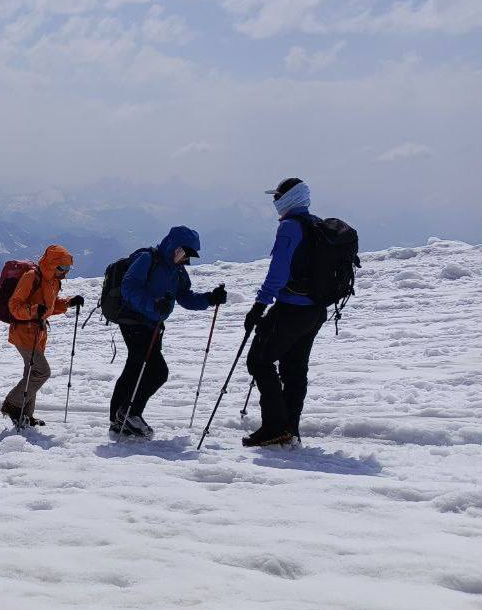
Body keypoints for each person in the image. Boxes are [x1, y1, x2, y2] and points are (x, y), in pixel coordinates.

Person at [109, 227, 226, 437]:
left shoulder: (178, 272)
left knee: (135, 368)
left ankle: (118, 420)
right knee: (157, 371)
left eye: (189, 254)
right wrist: (153, 304)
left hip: (153, 325)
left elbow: (186, 298)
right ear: (175, 246)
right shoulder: (147, 259)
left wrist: (210, 299)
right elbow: (129, 287)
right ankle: (129, 414)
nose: (186, 258)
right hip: (134, 321)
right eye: (185, 252)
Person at [242, 178, 330, 447]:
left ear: (289, 197)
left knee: (259, 361)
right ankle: (290, 429)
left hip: (291, 309)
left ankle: (274, 428)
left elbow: (278, 270)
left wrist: (260, 305)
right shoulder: (316, 223)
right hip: (315, 310)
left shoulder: (290, 228)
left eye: (277, 196)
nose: (274, 201)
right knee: (294, 369)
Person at [3, 246, 80, 427]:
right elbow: (14, 306)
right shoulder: (32, 277)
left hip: (38, 333)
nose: (65, 273)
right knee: (41, 371)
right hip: (24, 332)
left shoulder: (52, 280)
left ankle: (26, 415)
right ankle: (12, 404)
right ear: (52, 265)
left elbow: (48, 307)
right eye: (62, 268)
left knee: (31, 373)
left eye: (68, 269)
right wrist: (34, 310)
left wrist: (68, 302)